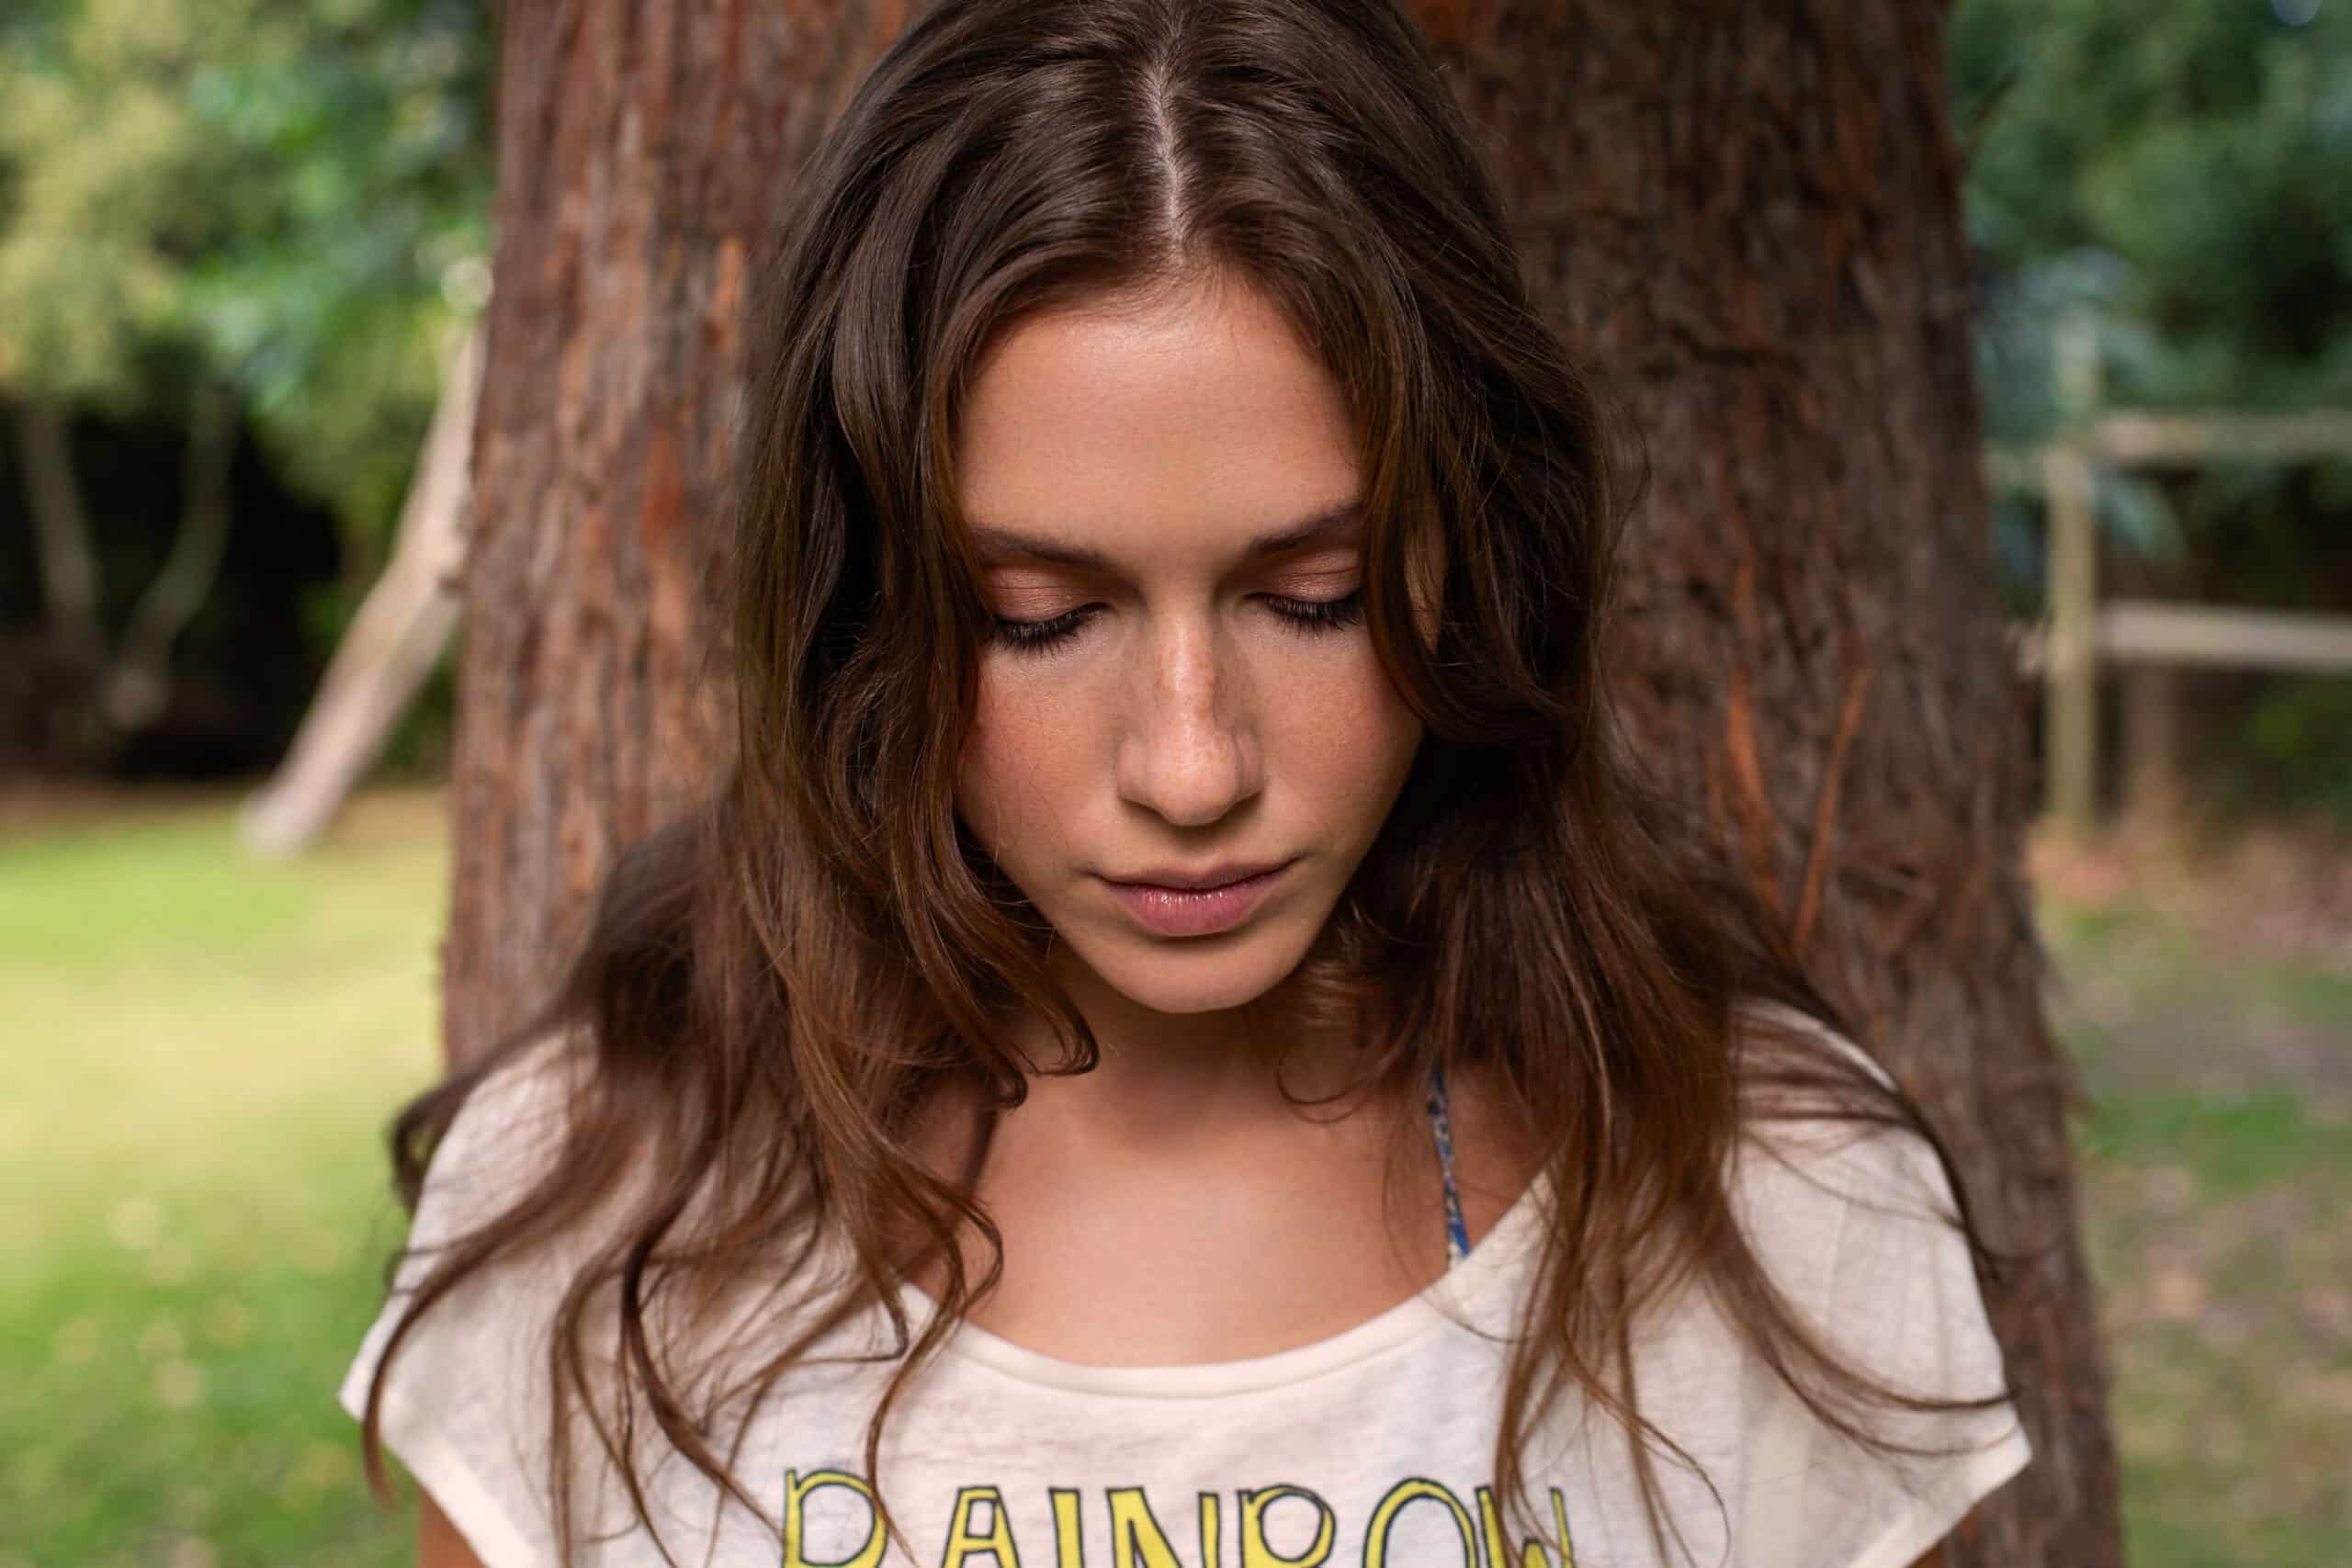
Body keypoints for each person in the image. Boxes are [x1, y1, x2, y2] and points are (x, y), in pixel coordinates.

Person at [340, 1, 2035, 1563]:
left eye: (1319, 601)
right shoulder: (610, 1202)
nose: (1194, 764)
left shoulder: (1771, 1201)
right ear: (867, 614)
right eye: (1040, 618)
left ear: (1480, 562)